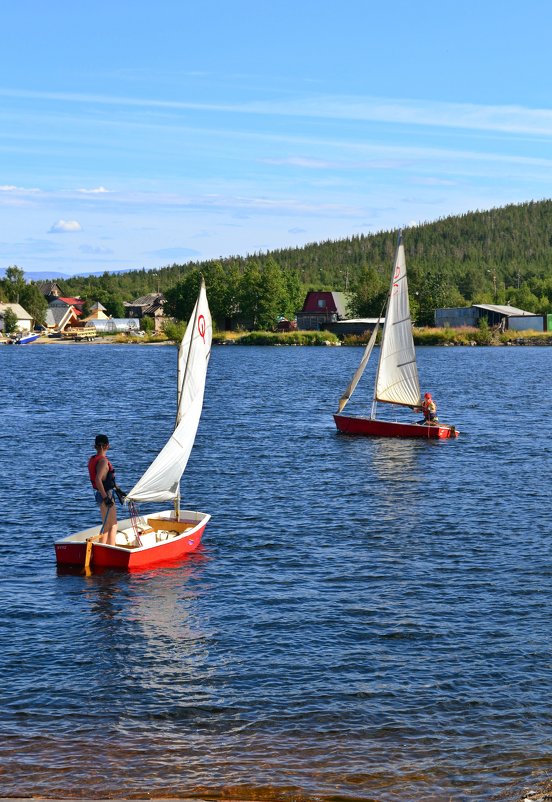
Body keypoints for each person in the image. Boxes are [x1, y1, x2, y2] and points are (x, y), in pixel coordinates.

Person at [88, 434, 118, 546]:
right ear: (107, 446)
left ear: (95, 446)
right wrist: (106, 498)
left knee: (106, 525)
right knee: (113, 525)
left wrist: (118, 489)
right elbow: (98, 479)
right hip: (105, 494)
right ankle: (111, 549)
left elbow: (107, 478)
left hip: (99, 493)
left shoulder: (92, 459)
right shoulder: (103, 461)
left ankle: (103, 548)